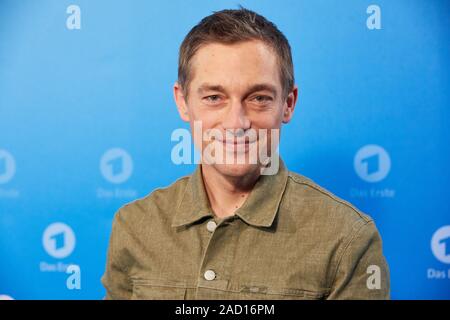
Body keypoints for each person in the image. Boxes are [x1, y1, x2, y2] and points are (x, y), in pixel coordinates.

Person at [102, 7, 390, 300]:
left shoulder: (348, 238)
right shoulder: (134, 225)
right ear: (183, 101)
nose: (236, 123)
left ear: (288, 104)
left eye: (259, 98)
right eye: (214, 97)